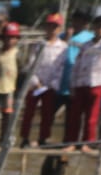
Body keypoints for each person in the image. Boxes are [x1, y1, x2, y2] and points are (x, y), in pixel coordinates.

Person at [66, 14, 101, 152]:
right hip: (81, 83)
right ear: (93, 27)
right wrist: (72, 85)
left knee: (92, 116)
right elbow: (77, 65)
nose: (100, 29)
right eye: (98, 26)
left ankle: (87, 143)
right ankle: (72, 142)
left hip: (97, 83)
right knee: (75, 115)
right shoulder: (86, 45)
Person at [22, 15, 67, 148]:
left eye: (55, 26)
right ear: (45, 27)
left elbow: (61, 67)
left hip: (50, 86)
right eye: (50, 26)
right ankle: (25, 137)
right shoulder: (38, 44)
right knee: (29, 111)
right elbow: (31, 63)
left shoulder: (63, 47)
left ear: (59, 29)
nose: (52, 29)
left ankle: (43, 138)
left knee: (47, 113)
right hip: (36, 84)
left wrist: (51, 84)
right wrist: (36, 82)